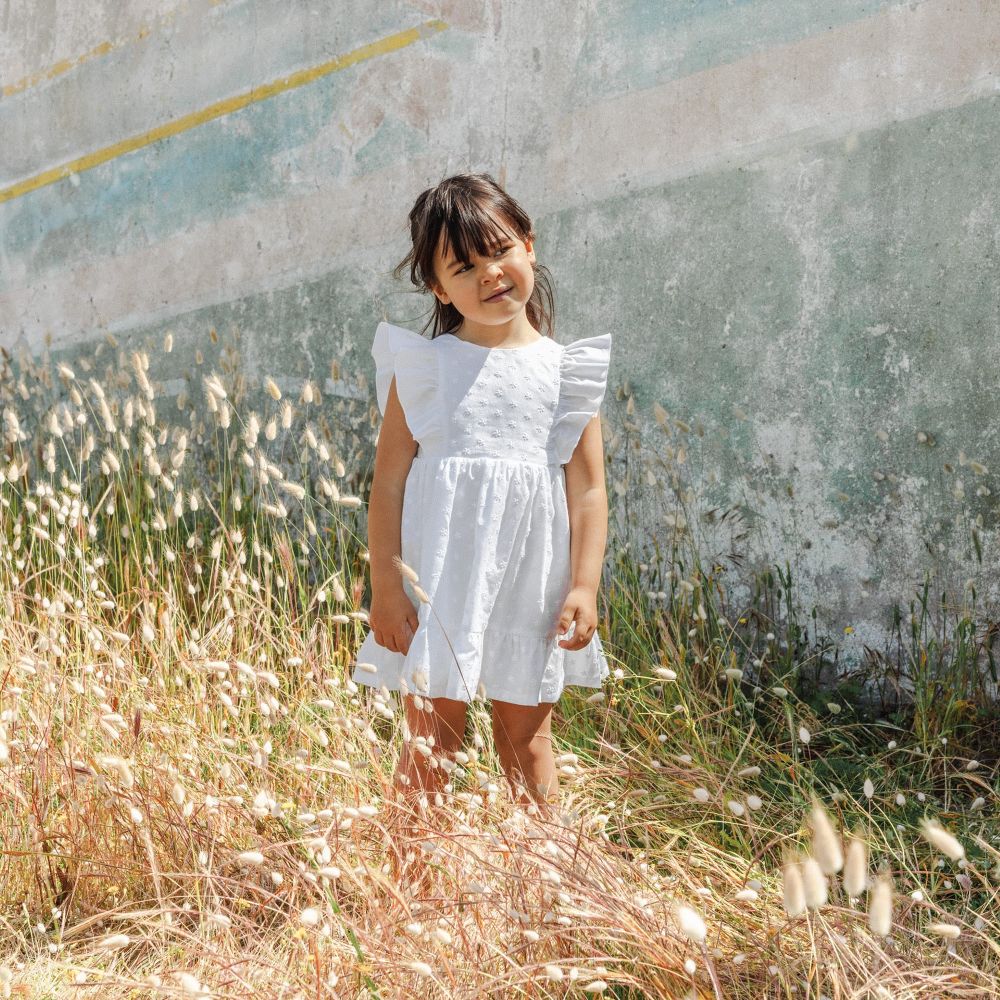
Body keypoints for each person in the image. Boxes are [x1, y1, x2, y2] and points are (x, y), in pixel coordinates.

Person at [353, 172, 612, 823]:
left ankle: (550, 899)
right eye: (464, 267)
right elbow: (387, 483)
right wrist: (386, 589)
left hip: (535, 585)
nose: (490, 273)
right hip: (442, 583)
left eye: (500, 250)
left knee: (527, 743)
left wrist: (584, 585)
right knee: (431, 741)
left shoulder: (566, 370)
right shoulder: (427, 367)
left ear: (528, 243)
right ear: (440, 288)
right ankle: (409, 899)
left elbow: (587, 490)